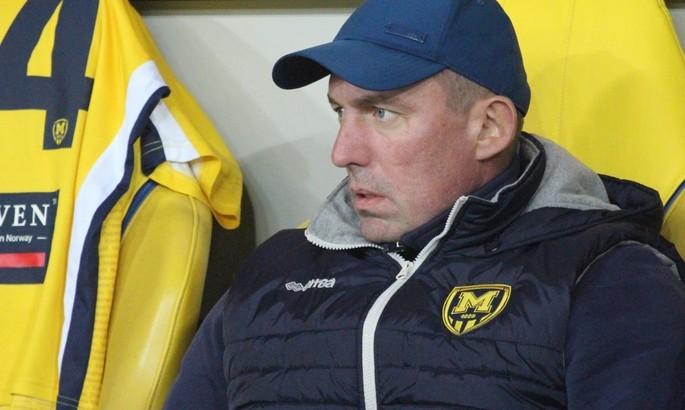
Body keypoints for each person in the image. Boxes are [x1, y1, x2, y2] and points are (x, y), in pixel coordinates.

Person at [165, 0, 685, 408]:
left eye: (382, 113)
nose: (342, 152)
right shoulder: (272, 274)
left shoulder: (605, 276)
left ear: (489, 127)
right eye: (340, 113)